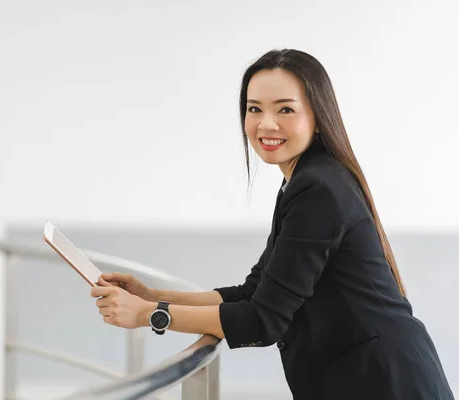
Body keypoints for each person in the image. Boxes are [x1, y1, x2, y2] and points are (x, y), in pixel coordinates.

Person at [90, 49, 454, 400]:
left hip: (385, 384)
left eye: (285, 109)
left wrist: (150, 316)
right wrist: (152, 296)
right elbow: (255, 290)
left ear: (317, 114)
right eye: (254, 109)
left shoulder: (318, 188)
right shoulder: (304, 180)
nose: (266, 123)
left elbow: (263, 320)